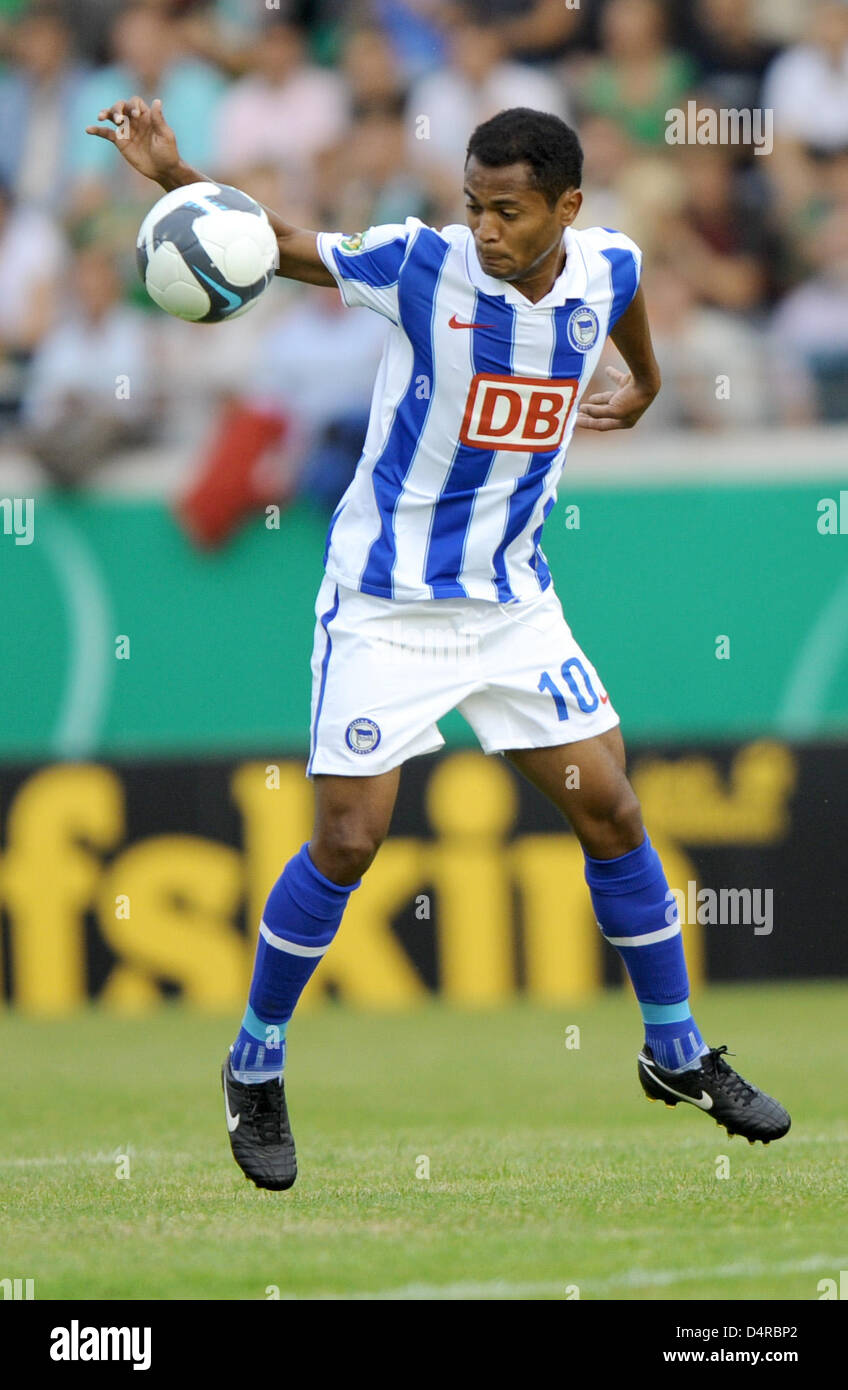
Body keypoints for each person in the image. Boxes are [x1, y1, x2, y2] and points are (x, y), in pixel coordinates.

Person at [86, 95, 791, 1192]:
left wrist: (644, 381)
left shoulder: (603, 265)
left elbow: (629, 292)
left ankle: (675, 1049)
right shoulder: (421, 265)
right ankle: (254, 1061)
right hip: (385, 603)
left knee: (608, 804)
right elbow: (275, 245)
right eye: (472, 203)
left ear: (566, 205)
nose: (485, 228)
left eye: (507, 210)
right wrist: (176, 175)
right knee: (352, 839)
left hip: (510, 606)